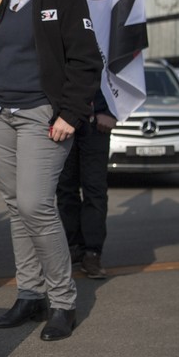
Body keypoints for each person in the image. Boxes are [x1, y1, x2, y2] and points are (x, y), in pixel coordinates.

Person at [0, 0, 103, 340]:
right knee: (14, 207)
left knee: (34, 205)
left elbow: (86, 58)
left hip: (41, 113)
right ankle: (29, 294)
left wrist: (71, 113)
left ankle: (62, 300)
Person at [56, 89, 116, 279]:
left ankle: (92, 253)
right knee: (65, 188)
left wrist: (110, 110)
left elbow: (114, 73)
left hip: (96, 120)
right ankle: (74, 248)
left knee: (94, 189)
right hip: (62, 117)